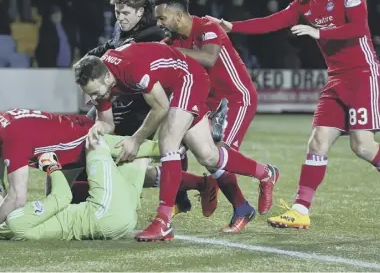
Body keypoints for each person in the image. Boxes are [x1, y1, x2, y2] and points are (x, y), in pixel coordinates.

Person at [208, 0, 380, 228]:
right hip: (336, 79)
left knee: (362, 146)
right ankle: (301, 209)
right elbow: (271, 22)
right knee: (318, 141)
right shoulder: (303, 6)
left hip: (363, 76)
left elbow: (358, 28)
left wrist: (317, 31)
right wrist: (232, 27)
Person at [73, 43, 279, 242]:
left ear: (108, 76)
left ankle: (163, 221)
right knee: (209, 155)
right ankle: (265, 173)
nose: (93, 98)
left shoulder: (130, 68)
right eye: (89, 94)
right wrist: (96, 128)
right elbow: (106, 122)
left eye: (95, 93)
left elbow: (160, 108)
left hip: (189, 78)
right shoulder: (101, 79)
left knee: (168, 142)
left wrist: (135, 140)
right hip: (171, 87)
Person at [152, 0, 269, 233]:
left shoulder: (207, 26)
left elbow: (209, 58)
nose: (159, 23)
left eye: (162, 17)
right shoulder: (172, 41)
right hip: (209, 101)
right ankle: (181, 198)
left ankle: (250, 196)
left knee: (220, 155)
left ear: (178, 15)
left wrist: (172, 53)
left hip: (237, 98)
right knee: (176, 141)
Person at [0, 109, 160, 236]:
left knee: (147, 150)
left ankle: (178, 145)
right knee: (136, 168)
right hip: (66, 144)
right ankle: (170, 170)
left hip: (83, 141)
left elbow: (16, 198)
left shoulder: (13, 141)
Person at [84, 0, 197, 215]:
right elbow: (110, 47)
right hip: (121, 98)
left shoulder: (154, 35)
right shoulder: (123, 29)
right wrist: (88, 62)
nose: (120, 18)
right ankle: (183, 192)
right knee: (90, 136)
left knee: (124, 156)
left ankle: (195, 186)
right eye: (117, 12)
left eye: (125, 13)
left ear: (140, 12)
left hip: (143, 104)